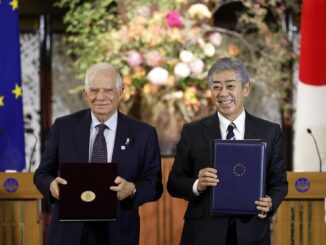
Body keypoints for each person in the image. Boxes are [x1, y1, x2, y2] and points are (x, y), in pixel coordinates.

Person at [34, 63, 163, 245]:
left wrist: (132, 189)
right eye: (94, 90)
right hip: (68, 233)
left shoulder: (143, 133)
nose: (100, 97)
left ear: (121, 92)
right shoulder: (63, 127)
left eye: (108, 90)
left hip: (118, 232)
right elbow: (41, 174)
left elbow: (155, 185)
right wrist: (51, 185)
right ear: (86, 93)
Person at [167, 57, 288, 245]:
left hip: (251, 233)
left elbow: (279, 183)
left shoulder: (270, 132)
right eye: (216, 87)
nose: (223, 93)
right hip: (203, 233)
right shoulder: (193, 131)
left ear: (245, 88)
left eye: (230, 86)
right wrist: (197, 184)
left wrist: (271, 201)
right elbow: (174, 183)